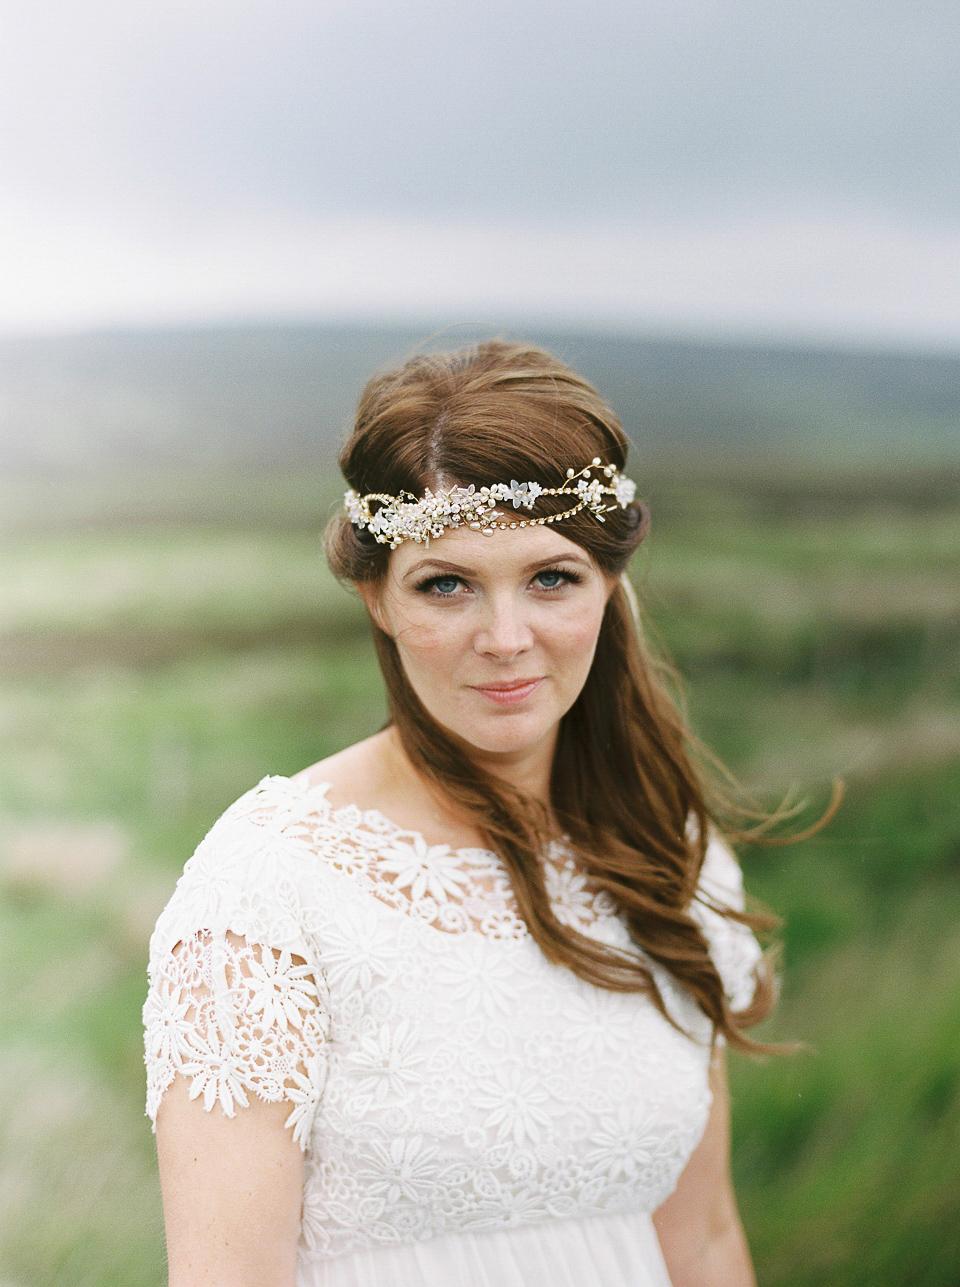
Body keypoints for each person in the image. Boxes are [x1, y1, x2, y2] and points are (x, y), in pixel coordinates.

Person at [143, 339, 777, 1287]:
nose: (507, 639)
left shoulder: (668, 852)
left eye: (551, 578)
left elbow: (707, 1239)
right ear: (378, 599)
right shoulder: (268, 889)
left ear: (609, 582)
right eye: (447, 584)